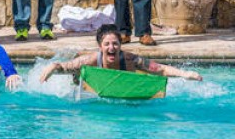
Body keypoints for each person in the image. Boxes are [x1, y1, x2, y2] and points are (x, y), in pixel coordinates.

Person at [40, 24, 203, 82]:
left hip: (119, 78)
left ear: (120, 45)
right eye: (107, 44)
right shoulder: (90, 60)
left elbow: (160, 69)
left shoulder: (130, 59)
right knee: (76, 75)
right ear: (100, 46)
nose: (111, 48)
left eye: (115, 44)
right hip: (88, 77)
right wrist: (52, 67)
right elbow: (65, 67)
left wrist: (185, 73)